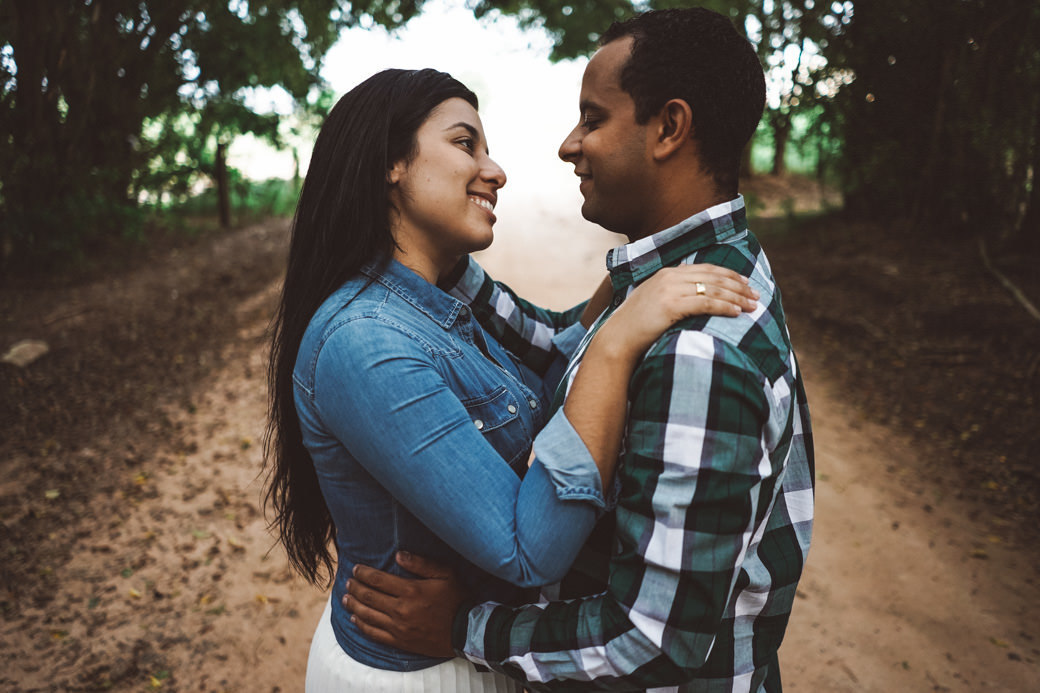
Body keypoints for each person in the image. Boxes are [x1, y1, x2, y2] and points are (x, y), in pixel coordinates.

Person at [343, 7, 815, 692]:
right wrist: (442, 258)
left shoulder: (696, 349)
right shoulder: (696, 270)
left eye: (593, 118)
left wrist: (464, 626)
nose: (570, 144)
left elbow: (650, 636)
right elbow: (562, 349)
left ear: (669, 128)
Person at [263, 67, 760, 691]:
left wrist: (634, 274)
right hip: (421, 675)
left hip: (479, 658)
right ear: (390, 163)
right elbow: (529, 550)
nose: (495, 171)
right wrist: (616, 343)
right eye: (465, 144)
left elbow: (550, 357)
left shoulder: (439, 297)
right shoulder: (365, 343)